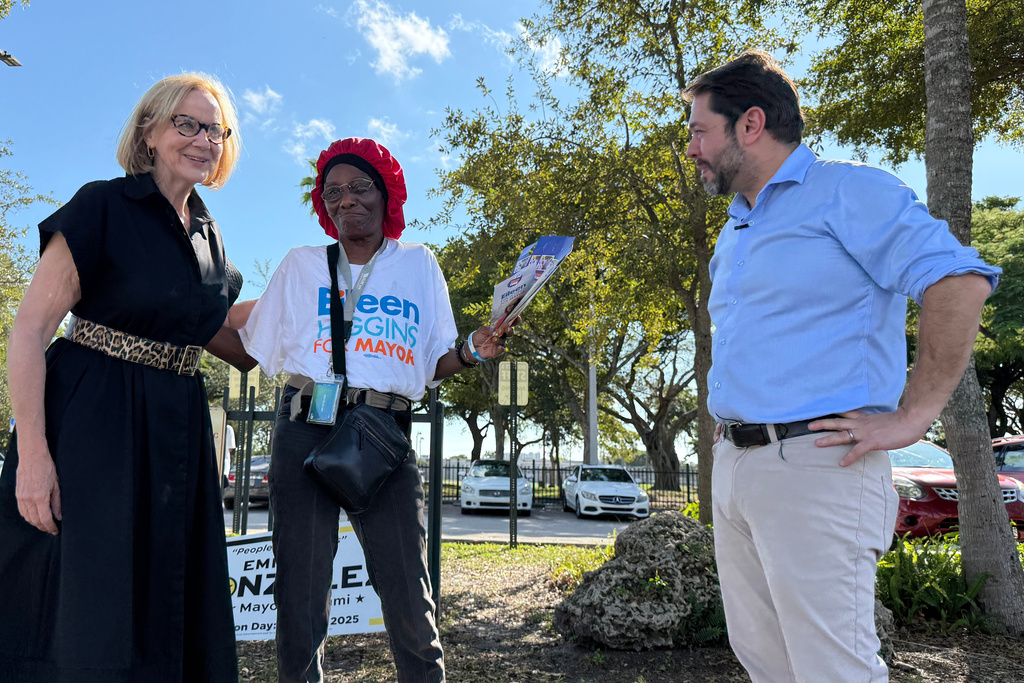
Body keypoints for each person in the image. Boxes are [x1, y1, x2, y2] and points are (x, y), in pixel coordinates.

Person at [684, 51, 1001, 682]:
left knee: (834, 669)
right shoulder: (736, 228)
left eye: (698, 131)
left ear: (750, 124)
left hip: (822, 463)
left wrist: (914, 416)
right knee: (766, 664)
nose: (690, 149)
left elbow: (959, 281)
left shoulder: (849, 191)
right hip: (736, 463)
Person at [225, 137, 512, 683]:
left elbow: (433, 360)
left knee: (407, 586)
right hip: (304, 428)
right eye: (332, 192)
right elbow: (250, 345)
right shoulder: (300, 265)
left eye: (359, 187)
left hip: (381, 435)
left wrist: (474, 350)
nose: (346, 200)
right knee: (300, 593)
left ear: (386, 194)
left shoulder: (419, 265)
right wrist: (183, 318)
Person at [0, 73, 244, 683]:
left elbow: (227, 335)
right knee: (93, 597)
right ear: (150, 133)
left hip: (177, 427)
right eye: (185, 124)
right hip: (95, 420)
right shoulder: (103, 205)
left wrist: (327, 303)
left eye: (214, 129)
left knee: (169, 592)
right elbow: (29, 331)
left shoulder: (209, 236)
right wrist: (34, 457)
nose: (202, 140)